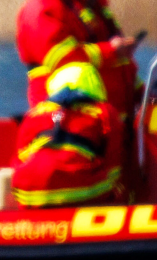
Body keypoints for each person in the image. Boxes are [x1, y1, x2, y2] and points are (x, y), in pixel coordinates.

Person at [13, 0, 139, 118]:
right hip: (65, 117)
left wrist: (144, 94)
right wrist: (113, 51)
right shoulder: (42, 7)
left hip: (107, 119)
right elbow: (62, 57)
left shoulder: (88, 10)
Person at [12, 63, 122, 208]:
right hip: (77, 190)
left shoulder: (35, 113)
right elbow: (114, 164)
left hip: (28, 192)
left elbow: (19, 158)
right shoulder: (104, 111)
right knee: (111, 185)